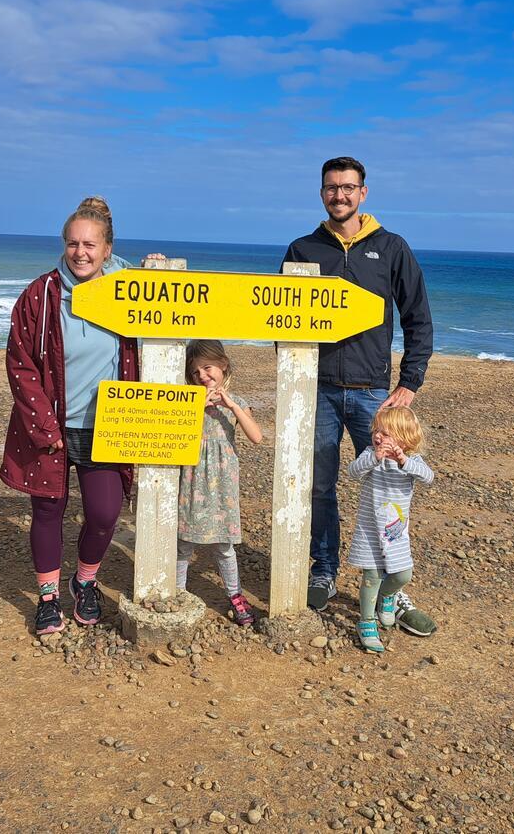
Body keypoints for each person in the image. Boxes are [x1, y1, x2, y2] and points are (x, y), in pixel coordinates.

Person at [282, 156, 437, 635]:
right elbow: (282, 318)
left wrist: (409, 382)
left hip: (376, 393)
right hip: (319, 391)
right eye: (331, 188)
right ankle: (324, 570)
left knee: (388, 486)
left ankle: (393, 585)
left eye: (348, 188)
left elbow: (418, 319)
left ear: (363, 193)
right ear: (321, 192)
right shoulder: (302, 248)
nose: (340, 196)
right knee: (320, 488)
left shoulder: (391, 248)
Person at [0, 196, 138, 635]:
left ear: (108, 249)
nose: (81, 252)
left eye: (90, 244)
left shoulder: (128, 285)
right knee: (48, 511)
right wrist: (44, 425)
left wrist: (159, 268)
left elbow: (168, 310)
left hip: (109, 425)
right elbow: (20, 363)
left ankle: (85, 581)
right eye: (73, 243)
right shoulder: (41, 295)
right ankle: (47, 596)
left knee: (103, 513)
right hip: (51, 428)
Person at [175, 339, 265, 626]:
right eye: (195, 372)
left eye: (207, 368)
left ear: (223, 365)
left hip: (223, 482)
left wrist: (232, 405)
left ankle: (235, 594)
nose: (202, 376)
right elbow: (177, 432)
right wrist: (195, 407)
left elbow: (256, 436)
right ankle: (178, 593)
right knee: (184, 542)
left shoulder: (235, 402)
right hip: (192, 478)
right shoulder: (188, 403)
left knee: (224, 544)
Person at [346, 407, 434, 653]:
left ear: (404, 438)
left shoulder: (412, 461)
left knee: (403, 575)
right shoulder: (369, 455)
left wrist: (404, 462)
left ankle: (387, 597)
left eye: (385, 433)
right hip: (370, 531)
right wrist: (375, 457)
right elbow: (352, 472)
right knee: (370, 577)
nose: (378, 436)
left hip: (395, 534)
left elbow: (429, 477)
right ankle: (366, 622)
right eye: (376, 430)